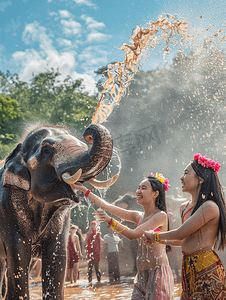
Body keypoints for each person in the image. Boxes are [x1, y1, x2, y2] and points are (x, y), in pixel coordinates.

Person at [72, 173, 174, 299]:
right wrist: (85, 191)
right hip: (141, 274)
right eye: (138, 187)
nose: (138, 191)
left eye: (144, 188)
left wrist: (110, 221)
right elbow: (107, 206)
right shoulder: (139, 216)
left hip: (157, 272)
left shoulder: (160, 216)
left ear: (155, 194)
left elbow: (133, 234)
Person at [144, 153, 226, 299]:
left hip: (206, 268)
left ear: (200, 179)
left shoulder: (210, 207)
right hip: (188, 267)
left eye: (186, 173)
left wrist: (153, 235)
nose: (181, 177)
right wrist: (156, 240)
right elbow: (182, 241)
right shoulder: (184, 207)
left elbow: (180, 233)